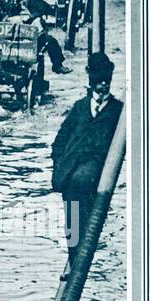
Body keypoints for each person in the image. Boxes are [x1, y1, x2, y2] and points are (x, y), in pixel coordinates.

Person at [51, 51, 123, 262]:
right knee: (71, 216)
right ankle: (75, 256)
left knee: (82, 196)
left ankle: (80, 257)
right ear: (91, 82)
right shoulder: (80, 107)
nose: (102, 87)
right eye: (98, 83)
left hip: (93, 171)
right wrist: (58, 163)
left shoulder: (118, 111)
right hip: (69, 170)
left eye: (105, 83)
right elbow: (60, 140)